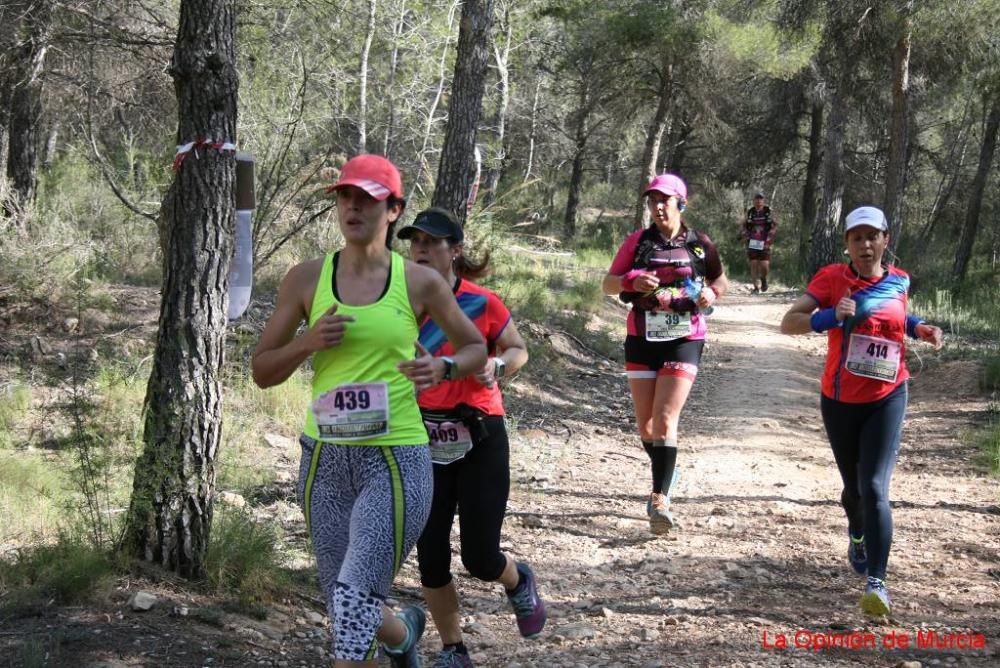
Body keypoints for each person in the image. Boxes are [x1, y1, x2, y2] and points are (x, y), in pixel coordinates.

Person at [251, 155, 488, 668]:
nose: (353, 206)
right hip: (325, 459)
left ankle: (384, 644)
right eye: (345, 196)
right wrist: (306, 343)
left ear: (393, 209)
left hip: (395, 460)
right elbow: (262, 370)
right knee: (346, 599)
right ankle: (402, 635)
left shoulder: (420, 283)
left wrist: (443, 369)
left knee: (354, 604)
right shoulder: (305, 279)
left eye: (368, 198)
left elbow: (474, 349)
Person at [397, 207, 545, 668]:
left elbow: (518, 348)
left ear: (455, 250)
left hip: (480, 433)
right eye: (414, 241)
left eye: (432, 242)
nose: (420, 249)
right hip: (420, 435)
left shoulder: (482, 302)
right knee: (432, 555)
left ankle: (518, 580)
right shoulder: (396, 303)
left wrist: (497, 366)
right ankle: (453, 649)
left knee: (480, 557)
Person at [780, 206, 943, 617]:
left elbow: (898, 316)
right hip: (839, 401)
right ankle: (856, 530)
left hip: (888, 395)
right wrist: (829, 316)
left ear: (886, 239)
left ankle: (877, 582)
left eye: (873, 236)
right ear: (847, 245)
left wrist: (919, 327)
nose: (866, 245)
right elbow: (789, 322)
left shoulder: (900, 281)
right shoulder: (832, 279)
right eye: (857, 238)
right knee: (854, 492)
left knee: (874, 488)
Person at [602, 173, 729, 533]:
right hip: (642, 337)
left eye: (665, 200)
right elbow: (608, 283)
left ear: (681, 203)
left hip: (684, 338)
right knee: (646, 426)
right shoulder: (638, 242)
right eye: (652, 201)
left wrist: (712, 295)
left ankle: (660, 498)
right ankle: (666, 465)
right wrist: (631, 281)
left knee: (665, 419)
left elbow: (720, 279)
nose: (658, 207)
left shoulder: (700, 244)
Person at [742, 191, 777, 293]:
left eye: (760, 199)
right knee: (754, 264)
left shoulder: (768, 211)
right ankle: (756, 288)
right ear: (753, 201)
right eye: (756, 199)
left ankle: (763, 279)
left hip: (765, 241)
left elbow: (775, 225)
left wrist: (770, 237)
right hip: (753, 241)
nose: (758, 201)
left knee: (764, 265)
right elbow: (744, 225)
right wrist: (745, 235)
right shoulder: (750, 212)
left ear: (763, 201)